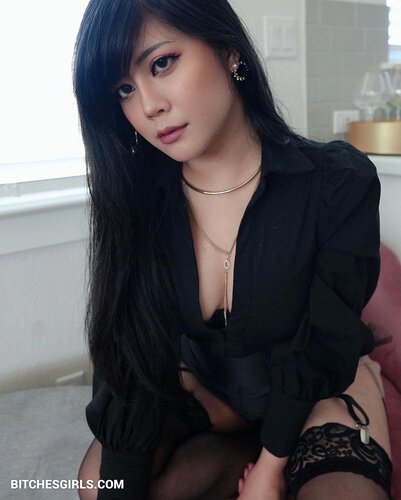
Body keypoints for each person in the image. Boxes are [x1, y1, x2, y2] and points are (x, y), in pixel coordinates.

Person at [73, 0, 393, 498]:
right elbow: (130, 357)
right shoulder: (137, 201)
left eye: (162, 63)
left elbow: (323, 345)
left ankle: (265, 458)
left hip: (317, 390)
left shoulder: (336, 182)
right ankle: (233, 455)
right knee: (101, 484)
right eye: (124, 90)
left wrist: (269, 468)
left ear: (227, 50)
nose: (149, 105)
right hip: (214, 393)